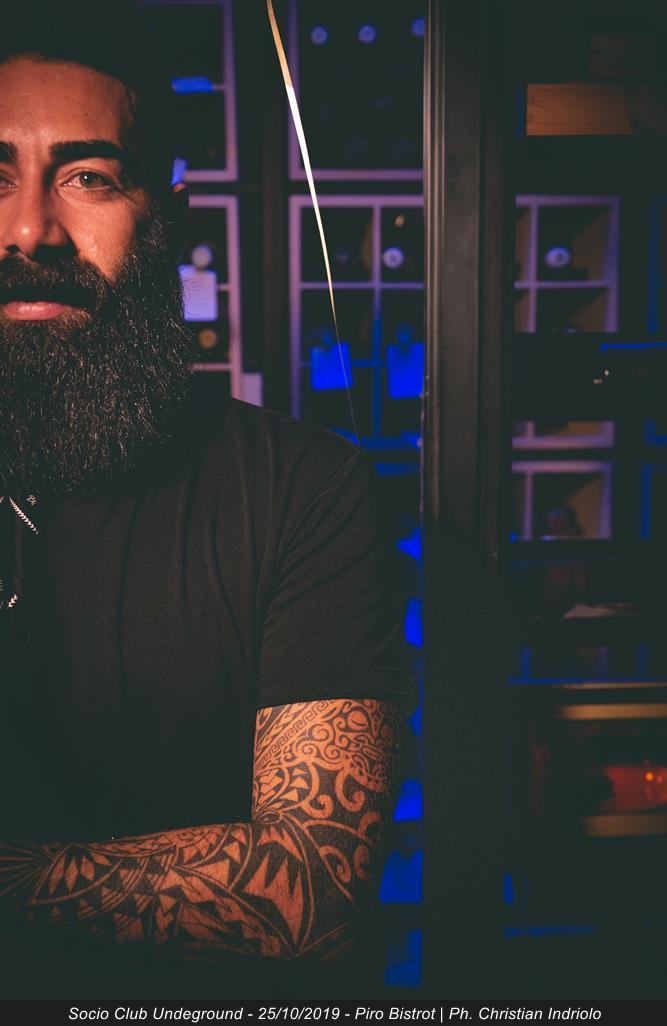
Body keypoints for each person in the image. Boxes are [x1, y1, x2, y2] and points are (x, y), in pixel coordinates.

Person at [0, 3, 414, 998]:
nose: (30, 229)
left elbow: (313, 890)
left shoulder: (299, 487)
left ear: (165, 215)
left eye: (89, 178)